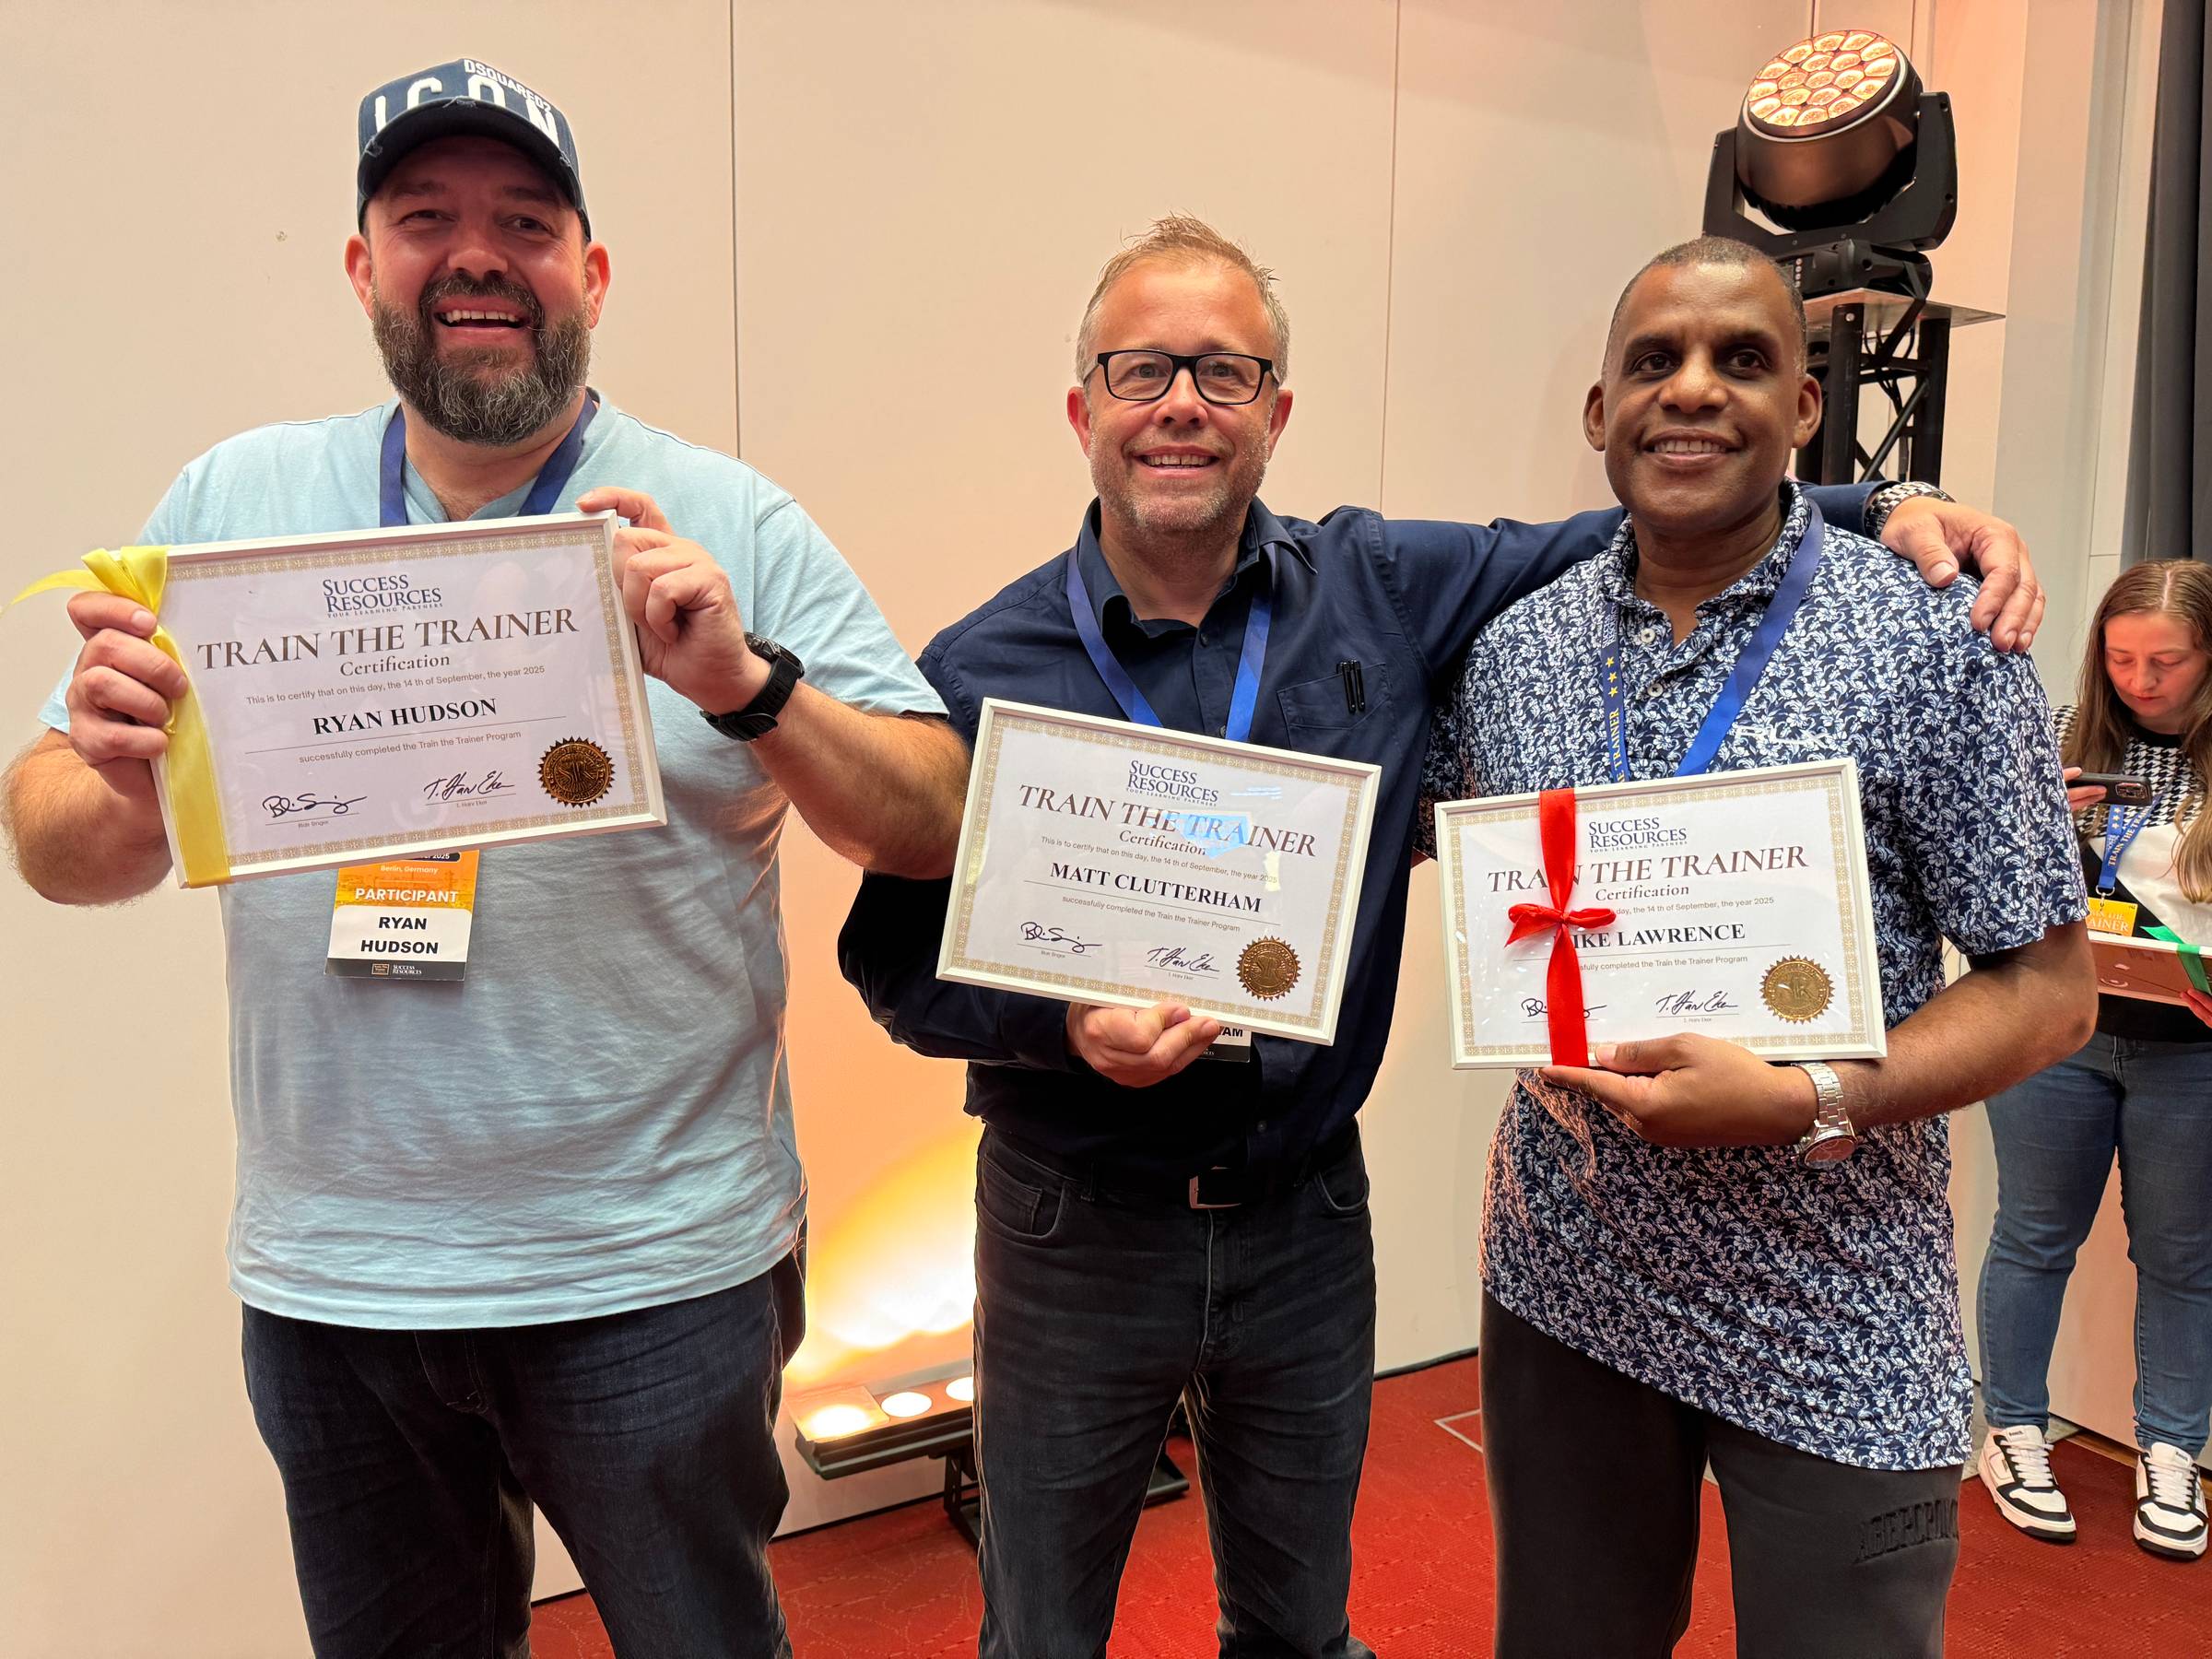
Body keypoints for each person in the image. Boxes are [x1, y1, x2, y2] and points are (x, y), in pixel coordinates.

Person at [838, 214, 2047, 1658]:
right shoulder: (983, 666)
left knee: (1300, 1629)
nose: (1181, 404)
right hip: (1080, 1228)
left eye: (1225, 373)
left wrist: (1895, 499)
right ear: (1081, 405)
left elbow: (1665, 504)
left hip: (1310, 1221)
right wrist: (1059, 1025)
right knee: (1040, 1636)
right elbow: (890, 963)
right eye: (1140, 368)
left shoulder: (1388, 592)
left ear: (1278, 412)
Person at [1, 62, 966, 1659]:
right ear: (362, 264)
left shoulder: (728, 517)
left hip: (656, 1267)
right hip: (337, 1280)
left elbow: (931, 813)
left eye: (525, 222)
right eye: (424, 219)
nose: (476, 256)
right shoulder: (235, 506)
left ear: (591, 270)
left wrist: (749, 688)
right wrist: (115, 778)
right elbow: (54, 841)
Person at [1415, 234, 2096, 1659]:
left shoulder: (1934, 635)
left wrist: (1805, 1097)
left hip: (1836, 1295)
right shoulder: (1510, 654)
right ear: (1600, 410)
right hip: (1569, 1277)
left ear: (1804, 406)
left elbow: (2049, 995)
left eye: (1742, 359)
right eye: (1653, 361)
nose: (1692, 390)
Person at [1975, 559, 2212, 1564]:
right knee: (2034, 1235)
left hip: (2192, 1052)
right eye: (2121, 659)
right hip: (2056, 1032)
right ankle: (2012, 1428)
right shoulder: (2064, 730)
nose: (2141, 682)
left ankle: (2174, 1449)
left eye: (2167, 661)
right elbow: (1982, 878)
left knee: (2183, 1258)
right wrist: (2036, 816)